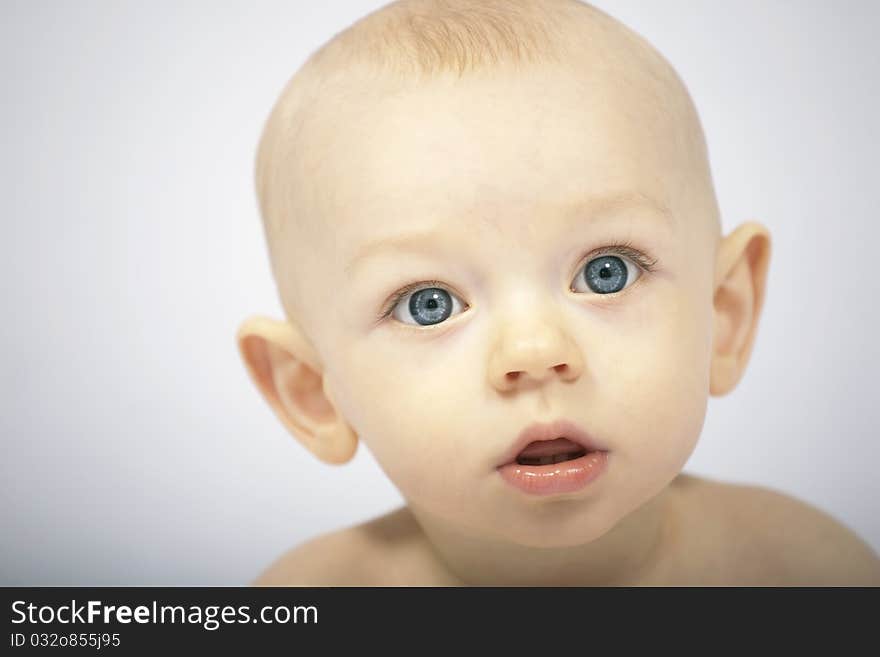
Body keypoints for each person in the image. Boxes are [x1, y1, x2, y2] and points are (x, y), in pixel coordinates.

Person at [236, 0, 880, 585]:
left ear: (724, 314)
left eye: (608, 271)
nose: (536, 352)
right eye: (426, 303)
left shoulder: (802, 569)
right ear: (313, 393)